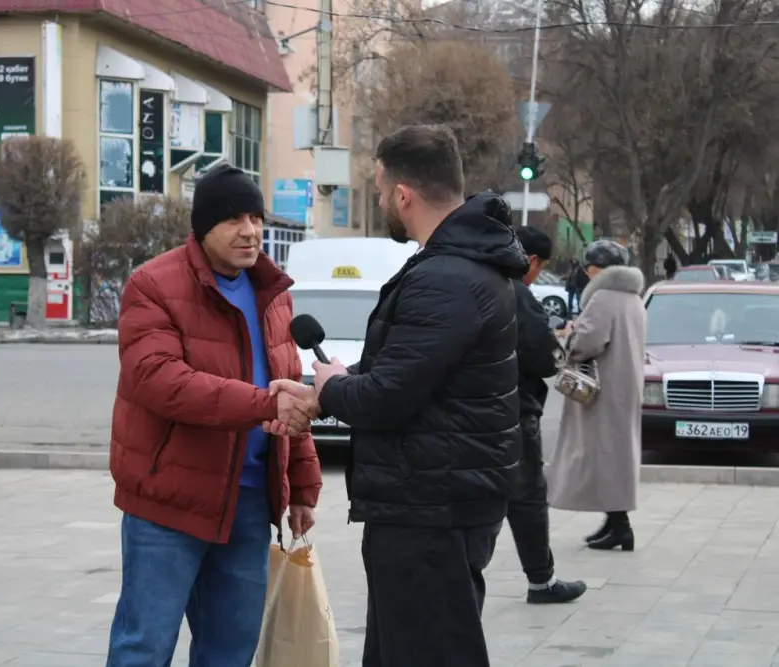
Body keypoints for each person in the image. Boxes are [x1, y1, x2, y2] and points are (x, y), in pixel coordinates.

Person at [271, 125, 527, 667]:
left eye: (383, 191)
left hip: (431, 507)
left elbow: (388, 395)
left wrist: (334, 389)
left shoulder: (447, 277)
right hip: (435, 498)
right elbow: (412, 365)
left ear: (404, 194)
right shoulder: (462, 266)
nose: (383, 200)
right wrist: (328, 389)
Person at [106, 164, 323, 667]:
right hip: (168, 504)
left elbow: (288, 385)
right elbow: (160, 381)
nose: (250, 231)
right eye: (232, 219)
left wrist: (303, 485)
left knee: (231, 649)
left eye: (255, 217)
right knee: (144, 646)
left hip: (248, 506)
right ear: (202, 227)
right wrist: (264, 403)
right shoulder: (153, 284)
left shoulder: (274, 295)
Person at [549, 240, 645, 551]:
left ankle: (620, 526)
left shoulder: (604, 297)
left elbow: (587, 342)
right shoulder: (632, 298)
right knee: (615, 455)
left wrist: (568, 335)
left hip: (604, 391)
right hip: (624, 386)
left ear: (597, 269)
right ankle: (615, 522)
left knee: (606, 455)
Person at [509, 227, 587, 604]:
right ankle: (541, 580)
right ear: (532, 261)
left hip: (471, 416)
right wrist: (554, 343)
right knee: (526, 497)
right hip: (514, 408)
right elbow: (544, 360)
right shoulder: (516, 292)